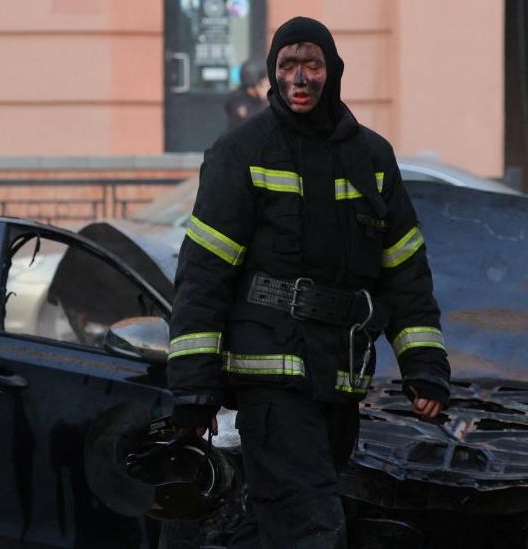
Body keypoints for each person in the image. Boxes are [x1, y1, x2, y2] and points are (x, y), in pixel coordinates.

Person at [167, 16, 451, 548]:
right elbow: (203, 276)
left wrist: (424, 367)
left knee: (275, 525)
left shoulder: (372, 158)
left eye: (312, 65)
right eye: (288, 66)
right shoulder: (242, 152)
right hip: (271, 381)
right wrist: (194, 390)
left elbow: (405, 270)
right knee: (313, 528)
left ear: (332, 72)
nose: (300, 79)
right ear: (274, 76)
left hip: (339, 383)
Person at [223, 59, 269, 131]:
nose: (268, 84)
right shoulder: (237, 100)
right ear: (255, 83)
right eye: (264, 82)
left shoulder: (268, 98)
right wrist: (265, 100)